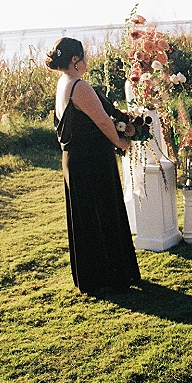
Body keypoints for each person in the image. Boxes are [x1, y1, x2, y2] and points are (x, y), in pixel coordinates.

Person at [47, 37, 141, 295]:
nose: (87, 59)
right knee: (103, 212)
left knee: (87, 215)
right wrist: (121, 142)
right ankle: (110, 277)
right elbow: (102, 121)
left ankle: (95, 277)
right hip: (91, 161)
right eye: (84, 56)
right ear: (75, 60)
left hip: (75, 160)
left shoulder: (63, 82)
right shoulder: (79, 86)